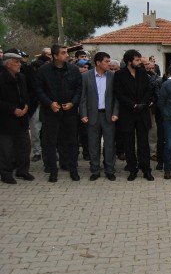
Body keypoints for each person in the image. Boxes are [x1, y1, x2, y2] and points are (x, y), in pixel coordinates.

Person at [34, 45, 82, 183]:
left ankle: (73, 170)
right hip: (51, 112)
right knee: (50, 143)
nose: (66, 55)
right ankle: (52, 171)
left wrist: (73, 103)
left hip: (69, 112)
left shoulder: (73, 69)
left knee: (72, 142)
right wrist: (50, 103)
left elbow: (79, 88)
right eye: (63, 53)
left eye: (66, 52)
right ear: (55, 56)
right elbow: (39, 90)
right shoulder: (44, 70)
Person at [114, 49, 154, 181]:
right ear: (129, 61)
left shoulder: (143, 73)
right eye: (137, 60)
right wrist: (133, 105)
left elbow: (149, 91)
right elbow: (119, 94)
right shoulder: (119, 75)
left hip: (142, 113)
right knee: (129, 144)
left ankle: (146, 169)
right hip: (128, 114)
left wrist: (142, 104)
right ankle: (132, 169)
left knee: (144, 143)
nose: (139, 62)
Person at [79, 52, 119, 181]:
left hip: (108, 116)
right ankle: (95, 170)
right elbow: (83, 97)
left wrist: (115, 113)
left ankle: (109, 169)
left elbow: (116, 98)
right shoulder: (86, 77)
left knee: (109, 144)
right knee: (93, 144)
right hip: (92, 116)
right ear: (98, 63)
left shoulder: (112, 77)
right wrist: (83, 114)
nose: (109, 63)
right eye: (106, 61)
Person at [0, 52, 34, 184]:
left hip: (22, 119)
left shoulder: (21, 77)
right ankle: (6, 173)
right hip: (6, 120)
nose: (20, 64)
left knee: (25, 146)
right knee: (6, 149)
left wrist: (26, 106)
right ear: (8, 64)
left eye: (20, 62)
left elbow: (26, 95)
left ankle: (23, 171)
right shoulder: (1, 78)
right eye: (16, 62)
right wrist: (13, 109)